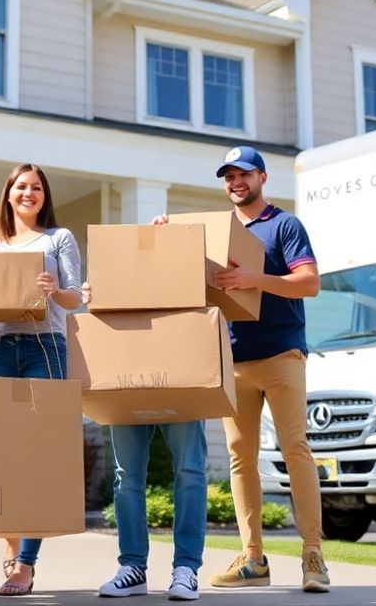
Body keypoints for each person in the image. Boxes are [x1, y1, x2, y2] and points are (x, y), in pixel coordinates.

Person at [197, 145, 330, 593]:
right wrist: (166, 232)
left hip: (280, 356)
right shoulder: (220, 231)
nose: (236, 182)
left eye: (244, 174)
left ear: (262, 178)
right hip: (232, 361)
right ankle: (253, 559)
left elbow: (309, 283)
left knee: (296, 450)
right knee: (240, 460)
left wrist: (257, 280)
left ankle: (313, 555)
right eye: (229, 176)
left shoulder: (284, 224)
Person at [0, 163, 82, 596]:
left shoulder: (59, 239)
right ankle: (8, 541)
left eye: (36, 187)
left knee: (38, 454)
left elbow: (75, 298)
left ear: (45, 195)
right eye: (20, 187)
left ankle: (25, 563)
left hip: (46, 349)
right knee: (1, 455)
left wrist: (53, 287)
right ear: (7, 194)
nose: (28, 193)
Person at [80, 284, 207, 601]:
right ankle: (133, 568)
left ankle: (186, 569)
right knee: (126, 477)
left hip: (181, 368)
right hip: (127, 367)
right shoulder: (124, 258)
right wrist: (93, 294)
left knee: (190, 470)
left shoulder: (190, 246)